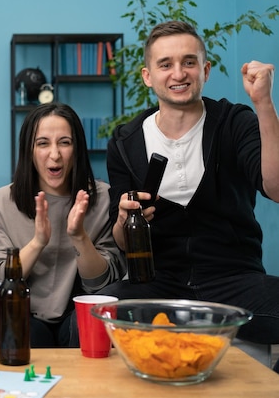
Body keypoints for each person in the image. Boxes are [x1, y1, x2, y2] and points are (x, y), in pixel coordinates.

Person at [99, 20, 279, 365]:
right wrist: (124, 219)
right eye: (165, 64)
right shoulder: (125, 142)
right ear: (147, 76)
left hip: (235, 280)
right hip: (157, 284)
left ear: (206, 70)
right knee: (87, 323)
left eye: (189, 62)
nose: (178, 73)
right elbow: (121, 241)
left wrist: (264, 104)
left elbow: (276, 187)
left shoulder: (234, 121)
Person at [0, 102, 125, 347]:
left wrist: (78, 236)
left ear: (77, 149)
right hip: (26, 314)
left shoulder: (103, 199)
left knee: (89, 322)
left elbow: (101, 283)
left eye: (65, 142)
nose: (55, 154)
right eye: (43, 143)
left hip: (78, 315)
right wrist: (37, 243)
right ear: (28, 150)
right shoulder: (0, 202)